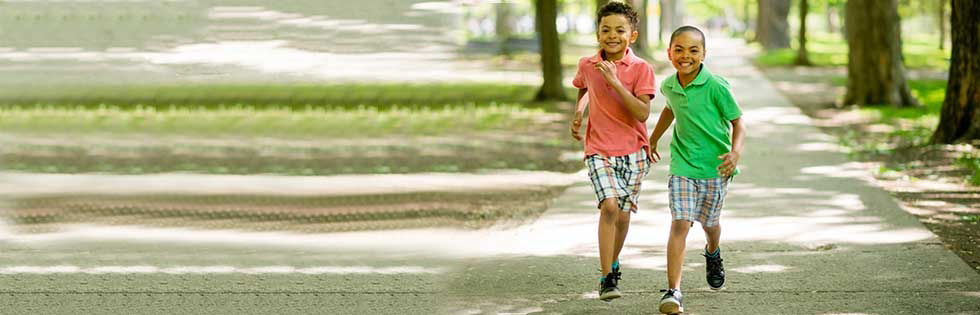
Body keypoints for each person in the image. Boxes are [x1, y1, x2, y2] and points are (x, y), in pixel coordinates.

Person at [647, 25, 745, 314]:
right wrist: (653, 139)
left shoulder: (716, 86)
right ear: (669, 53)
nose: (685, 55)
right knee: (680, 222)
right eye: (679, 49)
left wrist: (735, 153)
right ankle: (673, 291)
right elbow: (670, 109)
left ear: (703, 54)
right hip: (683, 164)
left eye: (693, 50)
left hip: (716, 167)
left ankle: (713, 251)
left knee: (710, 224)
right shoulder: (669, 85)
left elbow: (738, 122)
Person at [569, 1, 656, 302]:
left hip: (633, 151)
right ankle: (607, 277)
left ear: (632, 35)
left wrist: (616, 82)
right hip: (599, 148)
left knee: (622, 215)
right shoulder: (587, 64)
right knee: (608, 205)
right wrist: (579, 111)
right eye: (606, 29)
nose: (612, 35)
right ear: (597, 33)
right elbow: (584, 87)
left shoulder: (642, 68)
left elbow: (642, 113)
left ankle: (615, 261)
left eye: (620, 30)